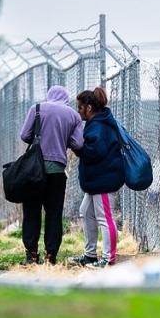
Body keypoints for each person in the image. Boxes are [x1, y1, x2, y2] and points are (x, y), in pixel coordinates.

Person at [18, 85, 83, 265]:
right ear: (65, 98)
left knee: (31, 212)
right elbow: (78, 143)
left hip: (33, 172)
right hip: (56, 172)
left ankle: (31, 255)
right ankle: (50, 256)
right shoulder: (73, 115)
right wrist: (63, 138)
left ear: (49, 96)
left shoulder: (36, 108)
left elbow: (24, 135)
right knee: (54, 214)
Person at [69, 87, 124, 267]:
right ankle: (90, 255)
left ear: (89, 107)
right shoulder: (96, 124)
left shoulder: (99, 126)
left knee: (105, 217)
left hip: (104, 181)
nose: (78, 111)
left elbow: (94, 152)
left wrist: (77, 146)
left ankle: (108, 259)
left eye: (80, 107)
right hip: (96, 181)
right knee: (86, 212)